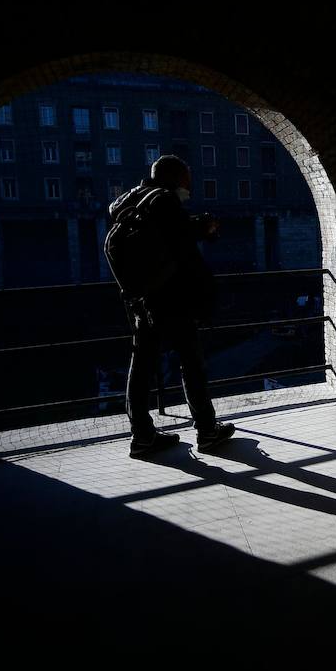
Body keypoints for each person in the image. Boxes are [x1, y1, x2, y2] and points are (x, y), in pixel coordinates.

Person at [116, 154, 235, 457]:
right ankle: (207, 431)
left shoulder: (133, 200)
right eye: (187, 182)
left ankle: (142, 436)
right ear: (174, 178)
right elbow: (181, 246)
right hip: (172, 299)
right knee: (192, 363)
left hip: (142, 299)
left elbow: (166, 236)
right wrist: (205, 231)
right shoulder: (165, 200)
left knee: (141, 367)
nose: (188, 188)